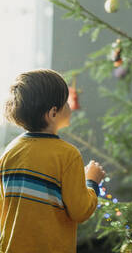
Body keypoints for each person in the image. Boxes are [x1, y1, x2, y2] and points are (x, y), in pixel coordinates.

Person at [0, 69, 105, 253]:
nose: (69, 107)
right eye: (65, 102)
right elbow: (80, 211)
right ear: (53, 113)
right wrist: (92, 182)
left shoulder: (9, 152)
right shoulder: (67, 155)